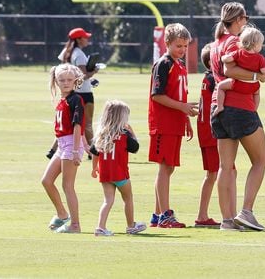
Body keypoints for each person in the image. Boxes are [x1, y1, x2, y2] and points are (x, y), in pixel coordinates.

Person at [210, 2, 265, 231]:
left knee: (226, 167)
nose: (246, 21)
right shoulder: (236, 41)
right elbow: (231, 71)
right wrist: (259, 75)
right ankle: (246, 211)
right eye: (245, 17)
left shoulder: (217, 43)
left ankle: (227, 220)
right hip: (240, 107)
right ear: (237, 20)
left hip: (220, 108)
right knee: (261, 160)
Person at [148, 23, 198, 229]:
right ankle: (165, 215)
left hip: (175, 122)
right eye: (179, 46)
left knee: (168, 168)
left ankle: (157, 214)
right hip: (163, 123)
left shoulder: (179, 65)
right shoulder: (163, 64)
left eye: (185, 46)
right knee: (164, 167)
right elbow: (157, 95)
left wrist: (184, 116)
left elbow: (179, 94)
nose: (183, 50)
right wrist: (182, 107)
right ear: (167, 43)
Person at [90, 100, 147, 236]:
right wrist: (132, 133)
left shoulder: (101, 134)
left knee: (107, 200)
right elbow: (135, 148)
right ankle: (131, 225)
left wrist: (94, 168)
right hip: (120, 173)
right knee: (128, 198)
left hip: (105, 174)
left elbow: (95, 153)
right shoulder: (124, 134)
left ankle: (100, 227)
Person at [41, 63, 85, 233]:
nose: (65, 83)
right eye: (61, 80)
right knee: (46, 181)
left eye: (68, 79)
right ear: (56, 82)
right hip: (61, 145)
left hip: (70, 146)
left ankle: (75, 225)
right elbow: (60, 129)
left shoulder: (76, 100)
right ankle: (62, 213)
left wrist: (75, 151)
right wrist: (52, 149)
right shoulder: (62, 100)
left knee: (68, 186)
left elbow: (77, 127)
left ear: (75, 80)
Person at [46, 28, 98, 159]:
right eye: (85, 37)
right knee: (87, 124)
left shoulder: (66, 52)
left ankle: (53, 150)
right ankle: (93, 153)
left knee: (67, 124)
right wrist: (94, 71)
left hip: (68, 92)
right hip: (83, 93)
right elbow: (81, 76)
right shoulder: (79, 54)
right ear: (79, 39)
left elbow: (65, 72)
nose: (87, 39)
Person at [213, 26, 265, 116]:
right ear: (255, 45)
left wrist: (223, 57)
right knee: (257, 94)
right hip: (253, 86)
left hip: (238, 84)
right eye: (261, 44)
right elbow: (264, 71)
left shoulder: (238, 53)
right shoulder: (260, 58)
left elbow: (227, 59)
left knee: (220, 87)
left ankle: (220, 106)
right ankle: (254, 110)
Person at [194, 43, 222, 228]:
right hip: (212, 132)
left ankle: (205, 214)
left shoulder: (207, 78)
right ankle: (204, 215)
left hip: (205, 130)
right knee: (218, 173)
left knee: (215, 173)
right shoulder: (214, 80)